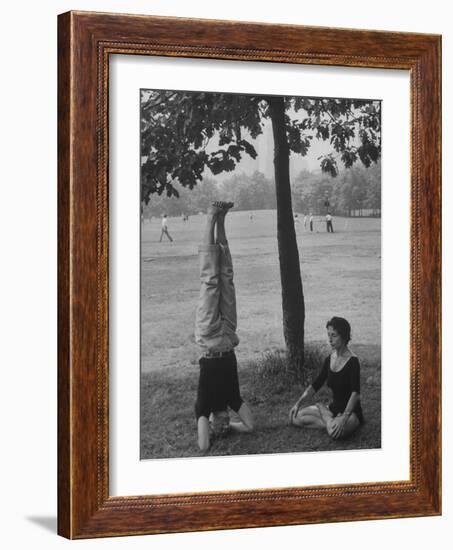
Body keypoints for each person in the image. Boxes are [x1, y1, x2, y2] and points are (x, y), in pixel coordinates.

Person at [194, 201, 254, 452]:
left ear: (210, 424)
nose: (226, 424)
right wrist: (233, 429)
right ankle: (222, 220)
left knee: (210, 280)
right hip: (228, 334)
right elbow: (250, 426)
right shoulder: (232, 400)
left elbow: (203, 446)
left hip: (208, 336)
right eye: (228, 424)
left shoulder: (204, 407)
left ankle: (210, 217)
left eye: (223, 425)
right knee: (227, 277)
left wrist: (211, 429)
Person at [289, 317, 363, 440]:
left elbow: (355, 394)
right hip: (333, 408)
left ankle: (325, 414)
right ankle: (330, 421)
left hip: (351, 413)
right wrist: (298, 403)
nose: (330, 339)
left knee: (336, 434)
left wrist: (344, 418)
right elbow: (316, 384)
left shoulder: (353, 361)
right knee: (294, 417)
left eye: (333, 335)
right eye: (328, 335)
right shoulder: (329, 359)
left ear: (344, 336)